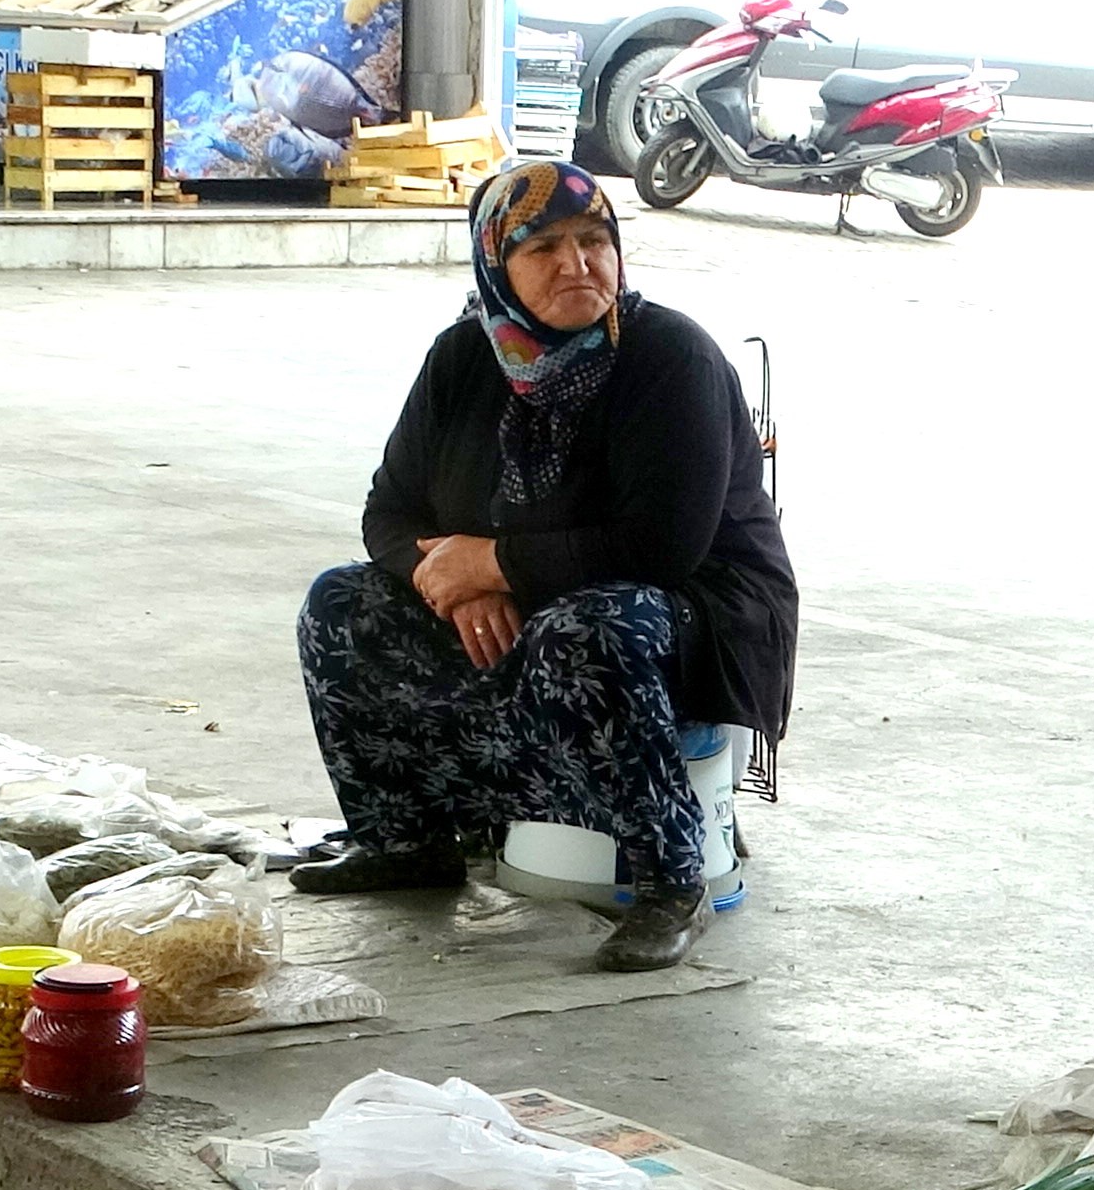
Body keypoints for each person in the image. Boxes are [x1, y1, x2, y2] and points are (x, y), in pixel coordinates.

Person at [294, 160, 797, 974]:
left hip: (697, 611)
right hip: (520, 598)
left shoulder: (673, 359)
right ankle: (405, 837)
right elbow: (387, 515)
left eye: (596, 240)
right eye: (545, 247)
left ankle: (671, 884)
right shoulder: (464, 358)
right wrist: (456, 587)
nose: (578, 264)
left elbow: (664, 547)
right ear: (497, 264)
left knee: (589, 627)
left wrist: (496, 563)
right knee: (341, 603)